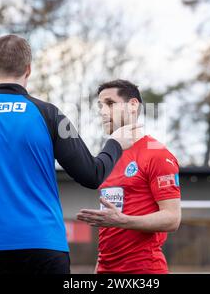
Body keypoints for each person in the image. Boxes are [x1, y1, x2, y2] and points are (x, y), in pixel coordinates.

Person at [0, 34, 141, 274]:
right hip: (44, 246)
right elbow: (92, 175)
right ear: (28, 70)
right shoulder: (49, 114)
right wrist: (114, 143)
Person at [76, 79, 181, 274]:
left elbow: (172, 218)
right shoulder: (108, 156)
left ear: (133, 106)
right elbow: (111, 223)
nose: (102, 111)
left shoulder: (157, 153)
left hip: (144, 270)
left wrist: (122, 220)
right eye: (100, 106)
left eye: (110, 104)